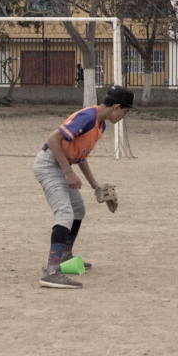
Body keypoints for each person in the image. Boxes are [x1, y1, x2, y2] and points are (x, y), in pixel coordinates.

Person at [36, 85, 136, 289]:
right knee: (64, 212)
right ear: (116, 107)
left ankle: (64, 257)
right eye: (125, 112)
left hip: (62, 164)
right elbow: (53, 139)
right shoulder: (88, 117)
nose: (123, 116)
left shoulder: (101, 125)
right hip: (49, 164)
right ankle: (52, 271)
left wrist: (95, 185)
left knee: (78, 210)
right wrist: (67, 172)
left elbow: (80, 157)